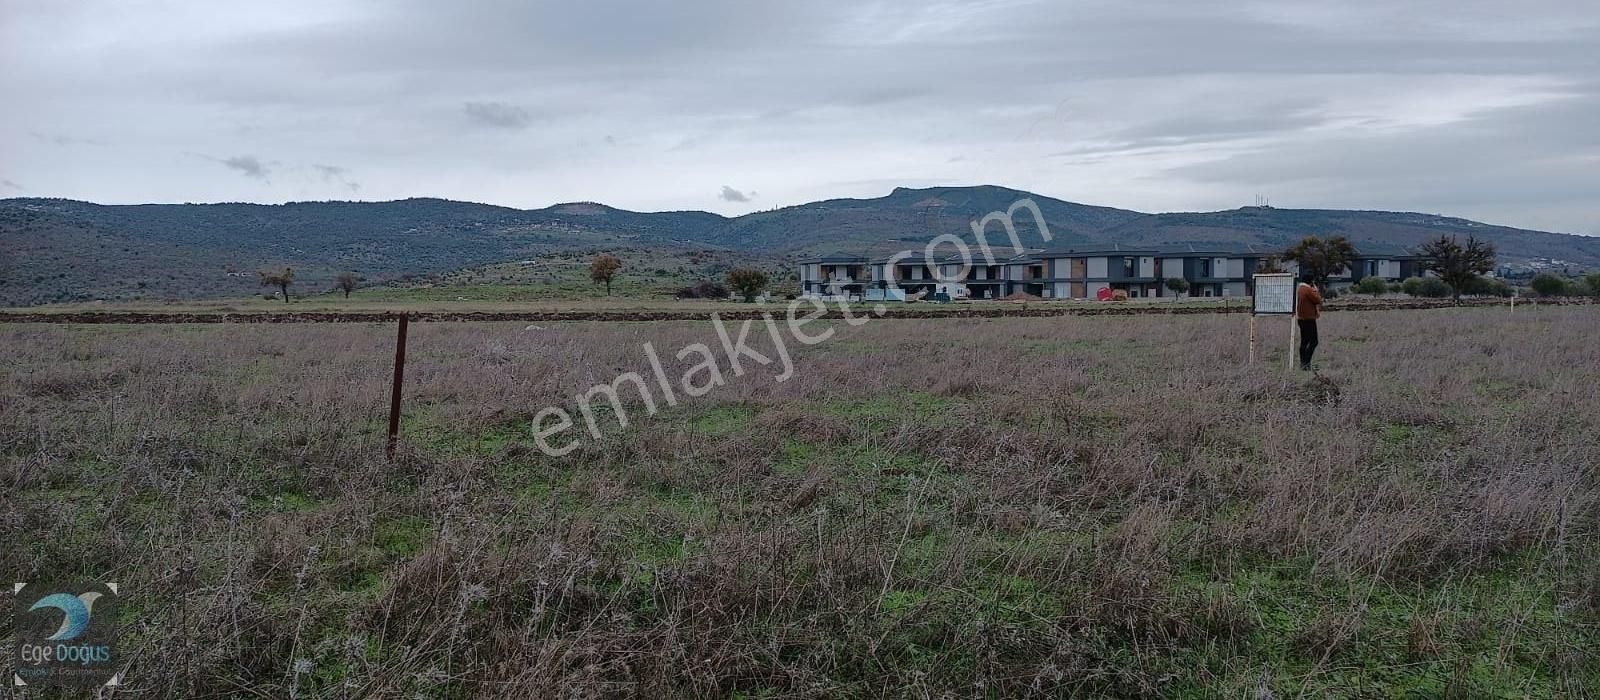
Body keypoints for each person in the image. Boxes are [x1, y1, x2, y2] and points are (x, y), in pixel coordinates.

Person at [1295, 278, 1323, 370]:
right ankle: (1306, 363)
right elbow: (1318, 300)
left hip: (1301, 318)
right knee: (1314, 341)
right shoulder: (1308, 290)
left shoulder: (1299, 289)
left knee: (1304, 341)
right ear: (1311, 282)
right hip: (1309, 319)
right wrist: (1315, 290)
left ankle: (1302, 363)